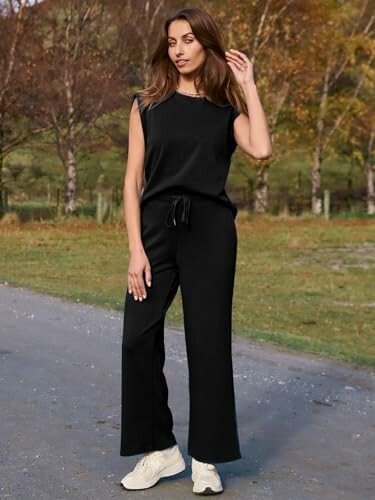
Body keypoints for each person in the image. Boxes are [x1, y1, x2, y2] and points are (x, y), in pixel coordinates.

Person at [119, 6, 272, 496]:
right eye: (172, 42)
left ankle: (206, 456)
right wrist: (135, 250)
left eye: (188, 40)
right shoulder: (146, 103)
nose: (179, 49)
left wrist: (248, 85)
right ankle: (161, 451)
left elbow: (262, 149)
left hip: (210, 231)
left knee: (208, 344)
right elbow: (131, 181)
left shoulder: (225, 108)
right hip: (155, 229)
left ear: (205, 44)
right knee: (137, 338)